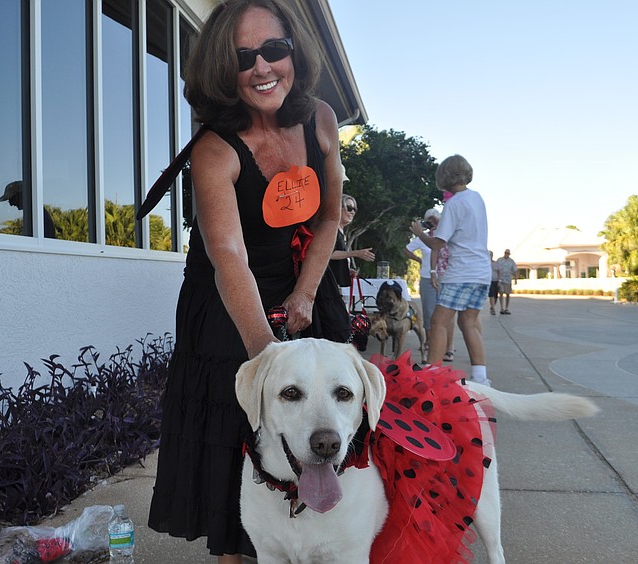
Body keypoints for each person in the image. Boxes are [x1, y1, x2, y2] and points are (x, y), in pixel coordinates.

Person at [147, 2, 348, 562]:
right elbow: (228, 253)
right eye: (243, 57)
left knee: (320, 424)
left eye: (274, 50)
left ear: (294, 51)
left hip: (302, 278)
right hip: (227, 298)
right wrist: (266, 354)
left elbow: (330, 216)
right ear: (222, 69)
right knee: (234, 444)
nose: (262, 68)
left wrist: (307, 292)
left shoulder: (321, 120)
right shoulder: (214, 149)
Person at [411, 154, 491, 385]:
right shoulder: (477, 198)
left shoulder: (454, 203)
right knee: (468, 322)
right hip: (481, 271)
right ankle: (480, 377)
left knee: (439, 321)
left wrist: (419, 233)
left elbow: (438, 243)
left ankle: (431, 375)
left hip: (462, 271)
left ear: (444, 176)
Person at [404, 208, 455, 360]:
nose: (433, 224)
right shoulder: (423, 238)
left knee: (448, 315)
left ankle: (449, 347)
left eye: (435, 220)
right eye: (429, 221)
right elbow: (406, 250)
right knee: (429, 314)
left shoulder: (447, 236)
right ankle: (430, 345)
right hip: (427, 277)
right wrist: (419, 260)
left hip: (447, 277)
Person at [329, 193, 375, 289]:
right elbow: (329, 254)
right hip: (328, 283)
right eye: (349, 208)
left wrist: (346, 270)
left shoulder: (342, 233)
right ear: (338, 208)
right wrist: (356, 253)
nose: (352, 212)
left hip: (335, 283)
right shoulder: (331, 230)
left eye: (354, 209)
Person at [497, 248, 518, 314]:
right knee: (501, 293)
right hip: (501, 279)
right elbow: (496, 269)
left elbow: (515, 270)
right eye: (506, 253)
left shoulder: (511, 261)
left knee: (508, 294)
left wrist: (515, 279)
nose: (507, 254)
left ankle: (506, 308)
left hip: (508, 280)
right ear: (504, 253)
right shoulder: (500, 260)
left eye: (508, 253)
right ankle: (502, 308)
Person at [488, 250, 500, 315]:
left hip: (496, 280)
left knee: (495, 296)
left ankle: (492, 306)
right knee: (491, 295)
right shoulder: (485, 263)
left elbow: (499, 272)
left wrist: (499, 280)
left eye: (491, 255)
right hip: (489, 281)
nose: (490, 256)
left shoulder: (496, 263)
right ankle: (493, 309)